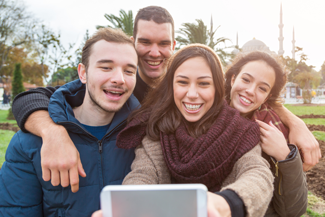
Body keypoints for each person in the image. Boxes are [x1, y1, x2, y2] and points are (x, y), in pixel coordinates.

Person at [11, 5, 319, 192]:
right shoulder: (117, 86)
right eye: (145, 42)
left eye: (163, 43)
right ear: (133, 42)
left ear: (174, 44)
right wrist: (53, 131)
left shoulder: (197, 91)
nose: (154, 52)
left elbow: (249, 95)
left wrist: (296, 124)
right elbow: (34, 98)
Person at [115, 44, 274, 217]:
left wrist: (225, 202)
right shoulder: (157, 128)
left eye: (204, 83)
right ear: (171, 86)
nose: (192, 93)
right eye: (182, 82)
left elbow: (258, 173)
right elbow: (143, 174)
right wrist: (129, 204)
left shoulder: (241, 131)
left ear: (217, 88)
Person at [0, 28, 139, 216]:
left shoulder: (145, 136)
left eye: (129, 71)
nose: (119, 79)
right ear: (82, 73)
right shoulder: (29, 144)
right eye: (106, 67)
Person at [224, 51, 307, 216]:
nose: (250, 90)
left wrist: (285, 156)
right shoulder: (204, 115)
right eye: (246, 80)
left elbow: (294, 210)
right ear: (233, 79)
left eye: (262, 88)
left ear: (268, 96)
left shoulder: (275, 132)